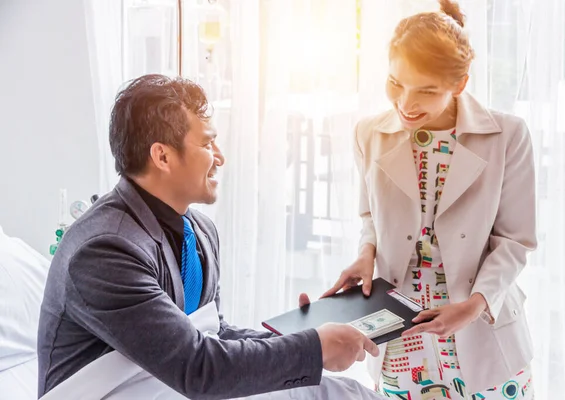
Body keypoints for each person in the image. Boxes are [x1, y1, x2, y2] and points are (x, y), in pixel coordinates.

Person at [37, 74, 384, 400]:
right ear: (162, 156)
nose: (220, 157)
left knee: (342, 391)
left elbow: (213, 334)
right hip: (119, 390)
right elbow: (198, 368)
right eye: (207, 143)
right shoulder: (104, 251)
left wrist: (302, 337)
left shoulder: (199, 230)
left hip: (166, 381)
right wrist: (313, 348)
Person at [323, 1, 537, 398]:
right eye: (395, 83)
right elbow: (370, 214)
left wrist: (473, 306)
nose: (405, 103)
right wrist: (366, 252)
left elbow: (514, 241)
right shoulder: (368, 133)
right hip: (400, 337)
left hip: (481, 327)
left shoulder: (508, 135)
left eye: (426, 90)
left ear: (459, 85)